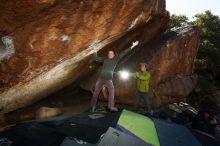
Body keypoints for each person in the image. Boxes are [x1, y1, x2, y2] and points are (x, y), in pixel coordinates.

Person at [91, 41, 139, 112]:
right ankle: (93, 106)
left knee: (112, 92)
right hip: (101, 79)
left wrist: (133, 45)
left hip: (109, 80)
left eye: (111, 53)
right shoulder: (105, 59)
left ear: (113, 54)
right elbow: (95, 58)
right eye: (109, 53)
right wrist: (95, 50)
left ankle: (111, 107)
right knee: (96, 92)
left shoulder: (116, 59)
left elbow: (124, 52)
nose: (110, 54)